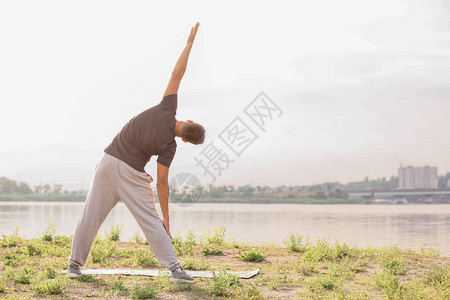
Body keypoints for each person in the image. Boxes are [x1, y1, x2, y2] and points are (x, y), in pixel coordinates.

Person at [67, 22, 204, 283]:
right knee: (151, 222)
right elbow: (162, 183)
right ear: (187, 141)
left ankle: (74, 265)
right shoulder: (170, 147)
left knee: (90, 215)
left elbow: (177, 74)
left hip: (107, 162)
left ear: (187, 120)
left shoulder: (167, 107)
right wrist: (165, 218)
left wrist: (189, 44)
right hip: (130, 173)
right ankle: (175, 270)